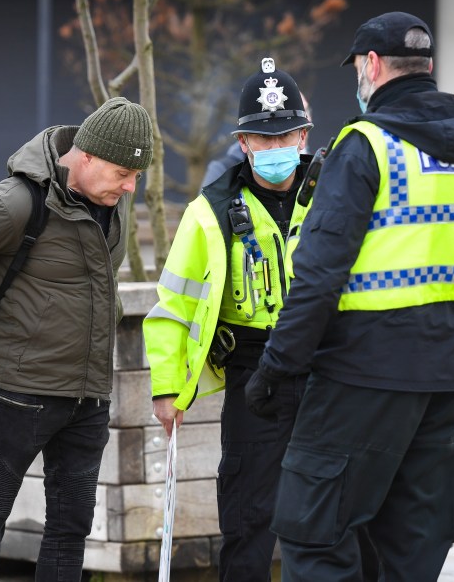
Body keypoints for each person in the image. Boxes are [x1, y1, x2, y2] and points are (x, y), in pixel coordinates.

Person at [244, 12, 454, 581]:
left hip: (358, 377)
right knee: (410, 548)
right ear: (428, 66)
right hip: (444, 379)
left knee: (315, 534)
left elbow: (319, 274)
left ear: (371, 66)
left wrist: (276, 369)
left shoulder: (366, 144)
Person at [0, 96, 154, 582]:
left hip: (88, 396)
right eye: (123, 173)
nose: (130, 187)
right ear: (85, 156)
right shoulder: (17, 200)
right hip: (20, 393)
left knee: (71, 526)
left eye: (138, 177)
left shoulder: (112, 203)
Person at [144, 57, 313, 581]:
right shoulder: (209, 212)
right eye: (264, 140)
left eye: (286, 136)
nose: (276, 149)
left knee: (331, 514)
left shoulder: (337, 196)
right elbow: (172, 306)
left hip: (327, 370)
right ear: (243, 143)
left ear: (304, 136)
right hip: (253, 374)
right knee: (247, 516)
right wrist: (167, 389)